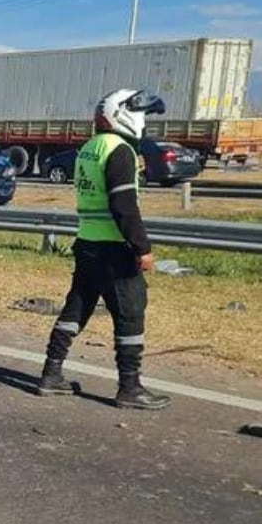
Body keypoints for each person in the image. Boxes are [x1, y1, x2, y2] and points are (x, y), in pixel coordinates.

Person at [37, 88, 170, 410]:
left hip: (88, 244)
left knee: (77, 309)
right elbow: (124, 203)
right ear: (123, 115)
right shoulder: (119, 150)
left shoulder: (89, 148)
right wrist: (143, 248)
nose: (143, 123)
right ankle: (130, 387)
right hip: (114, 248)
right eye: (141, 116)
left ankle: (51, 373)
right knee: (130, 315)